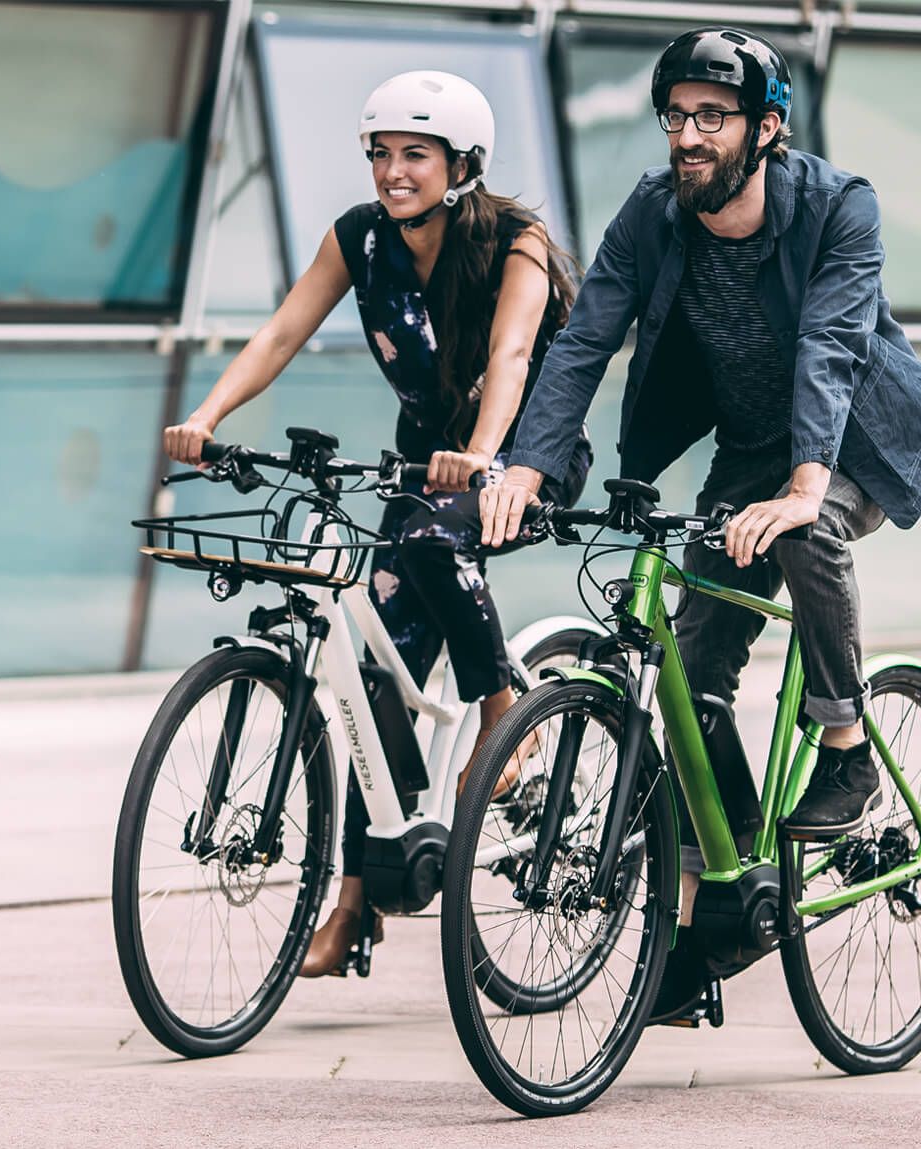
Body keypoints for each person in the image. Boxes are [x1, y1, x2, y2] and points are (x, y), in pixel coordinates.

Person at [478, 27, 921, 929]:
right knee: (692, 667)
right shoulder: (653, 213)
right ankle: (728, 882)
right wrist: (529, 465)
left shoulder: (838, 208)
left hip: (852, 439)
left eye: (714, 116)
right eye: (676, 115)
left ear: (767, 128)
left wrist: (805, 487)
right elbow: (584, 342)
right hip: (748, 448)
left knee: (806, 530)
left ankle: (847, 744)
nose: (689, 136)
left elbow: (830, 348)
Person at [163, 70, 593, 978]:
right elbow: (281, 334)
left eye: (416, 155)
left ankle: (503, 716)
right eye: (382, 153)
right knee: (372, 678)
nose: (394, 172)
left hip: (522, 461)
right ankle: (356, 905)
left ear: (462, 165)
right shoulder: (359, 239)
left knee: (435, 541)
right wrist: (206, 416)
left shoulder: (514, 243)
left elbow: (514, 353)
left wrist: (484, 455)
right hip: (422, 464)